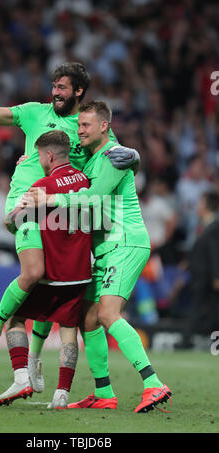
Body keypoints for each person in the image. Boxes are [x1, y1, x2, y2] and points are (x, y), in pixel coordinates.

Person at [0, 59, 139, 380]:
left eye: (62, 88)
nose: (55, 93)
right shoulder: (33, 112)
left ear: (78, 91)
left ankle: (35, 359)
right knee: (35, 272)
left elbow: (112, 157)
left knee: (52, 282)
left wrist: (134, 157)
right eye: (53, 86)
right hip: (28, 202)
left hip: (62, 211)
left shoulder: (84, 128)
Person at [24, 101, 172, 413]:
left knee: (107, 314)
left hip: (125, 242)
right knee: (86, 317)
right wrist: (28, 162)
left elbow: (91, 201)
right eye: (78, 126)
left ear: (104, 126)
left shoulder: (113, 156)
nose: (80, 131)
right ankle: (104, 392)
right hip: (105, 249)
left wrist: (49, 197)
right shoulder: (92, 161)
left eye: (86, 126)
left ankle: (154, 384)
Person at [0, 130, 92, 409]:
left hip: (53, 274)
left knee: (13, 319)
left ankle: (22, 375)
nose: (39, 160)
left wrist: (12, 218)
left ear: (49, 155)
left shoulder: (42, 186)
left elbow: (13, 220)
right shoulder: (85, 180)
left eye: (39, 155)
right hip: (81, 272)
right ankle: (62, 394)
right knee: (69, 332)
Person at [178, 191, 219, 348]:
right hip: (200, 278)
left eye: (200, 203)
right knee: (208, 311)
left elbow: (215, 254)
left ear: (207, 206)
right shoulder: (203, 227)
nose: (197, 207)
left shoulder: (214, 228)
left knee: (201, 311)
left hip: (207, 279)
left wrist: (216, 277)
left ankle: (186, 341)